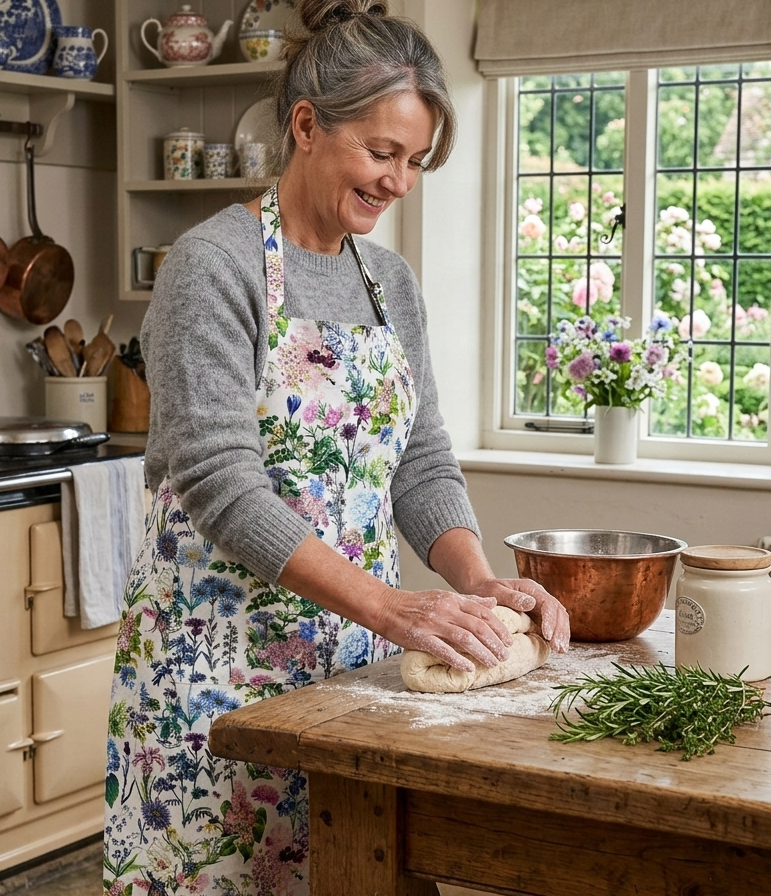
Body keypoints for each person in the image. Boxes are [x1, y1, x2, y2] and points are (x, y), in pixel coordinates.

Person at [104, 1, 570, 893]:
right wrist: (395, 609)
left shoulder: (389, 280)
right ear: (307, 125)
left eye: (417, 162)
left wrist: (473, 583)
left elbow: (421, 458)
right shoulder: (214, 264)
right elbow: (220, 482)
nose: (399, 181)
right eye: (382, 152)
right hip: (215, 669)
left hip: (349, 667)